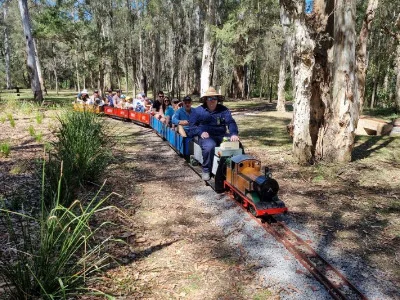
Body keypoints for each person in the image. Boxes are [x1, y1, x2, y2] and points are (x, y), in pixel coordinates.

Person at [189, 87, 239, 181]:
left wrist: (233, 134)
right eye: (209, 98)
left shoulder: (224, 110)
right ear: (205, 100)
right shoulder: (197, 111)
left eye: (214, 98)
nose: (212, 101)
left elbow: (231, 122)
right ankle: (206, 170)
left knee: (237, 145)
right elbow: (191, 128)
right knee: (210, 146)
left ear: (218, 99)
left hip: (221, 135)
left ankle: (238, 169)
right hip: (206, 137)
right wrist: (201, 132)